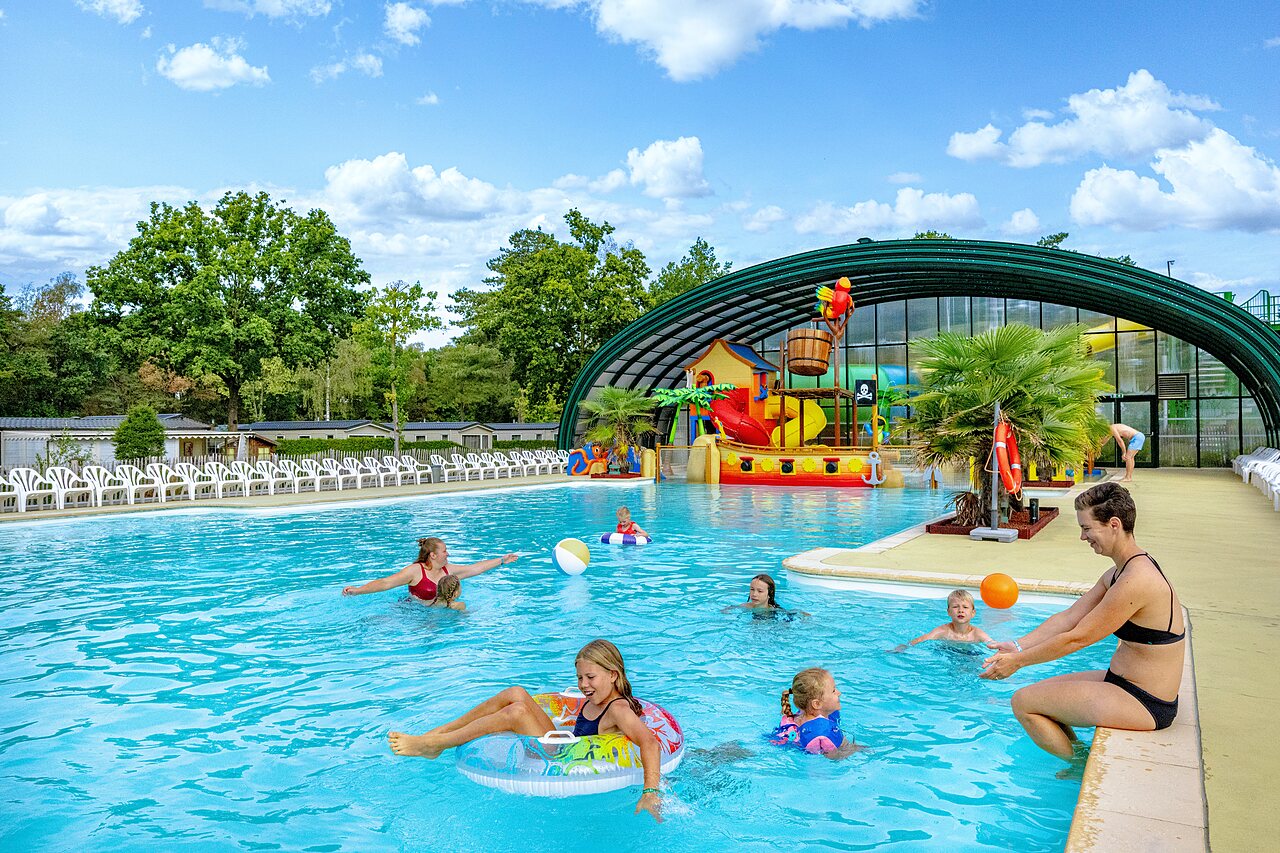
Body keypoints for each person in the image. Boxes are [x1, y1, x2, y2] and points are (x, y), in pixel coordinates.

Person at [981, 482, 1184, 762]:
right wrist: (1017, 646)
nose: (1082, 536)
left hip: (1145, 701)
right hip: (1122, 682)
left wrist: (1018, 662)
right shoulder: (1119, 572)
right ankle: (1078, 757)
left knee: (1023, 703)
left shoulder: (1137, 580)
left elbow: (1078, 638)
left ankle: (1076, 767)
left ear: (1114, 524)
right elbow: (1069, 618)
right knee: (1038, 696)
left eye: (1087, 528)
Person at [388, 639, 664, 821]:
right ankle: (439, 733)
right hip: (563, 747)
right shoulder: (597, 699)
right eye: (580, 677)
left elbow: (649, 742)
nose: (583, 684)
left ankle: (437, 744)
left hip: (561, 761)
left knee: (517, 712)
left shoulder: (617, 709)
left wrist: (650, 791)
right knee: (516, 693)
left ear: (613, 675)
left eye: (590, 677)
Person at [341, 536, 518, 600]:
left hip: (435, 611)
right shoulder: (415, 571)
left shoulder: (448, 570)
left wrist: (502, 560)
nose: (448, 554)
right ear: (433, 555)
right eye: (445, 551)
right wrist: (358, 590)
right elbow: (386, 583)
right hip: (411, 612)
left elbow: (475, 569)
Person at [769, 667, 858, 759]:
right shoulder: (822, 734)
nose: (839, 693)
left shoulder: (800, 715)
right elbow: (835, 758)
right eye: (833, 691)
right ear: (817, 704)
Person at [908, 590, 993, 645]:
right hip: (947, 651)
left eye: (965, 607)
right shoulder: (943, 631)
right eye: (955, 607)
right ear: (949, 612)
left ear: (973, 613)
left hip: (970, 653)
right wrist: (905, 646)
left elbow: (993, 643)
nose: (960, 610)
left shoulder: (976, 634)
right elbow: (921, 639)